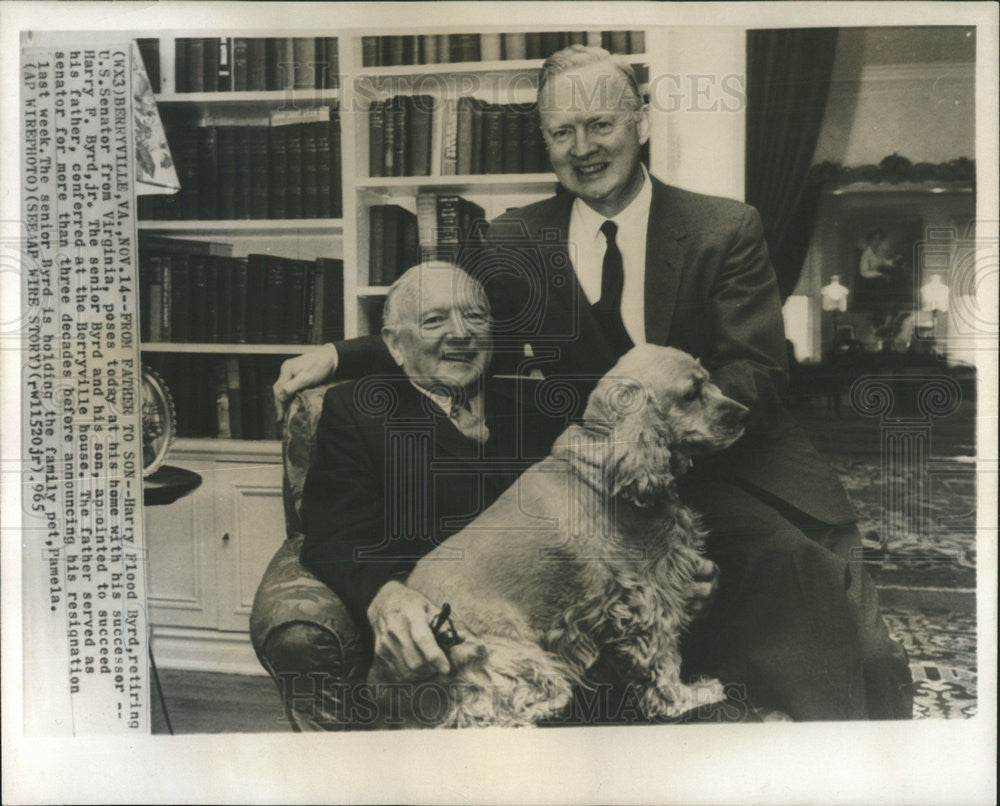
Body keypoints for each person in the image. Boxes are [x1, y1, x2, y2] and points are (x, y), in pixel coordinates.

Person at [281, 46, 911, 720]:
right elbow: (450, 324)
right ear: (546, 140)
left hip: (726, 466)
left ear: (640, 121)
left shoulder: (724, 228)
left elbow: (757, 368)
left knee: (832, 628)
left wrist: (664, 432)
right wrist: (337, 355)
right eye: (562, 132)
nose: (583, 147)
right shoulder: (515, 239)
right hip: (611, 484)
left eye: (601, 125)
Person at [301, 261, 721, 688]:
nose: (462, 333)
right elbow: (332, 536)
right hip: (459, 660)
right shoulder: (356, 410)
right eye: (434, 320)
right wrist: (386, 596)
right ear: (393, 344)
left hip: (578, 648)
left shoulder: (542, 405)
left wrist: (671, 581)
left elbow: (613, 521)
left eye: (476, 317)